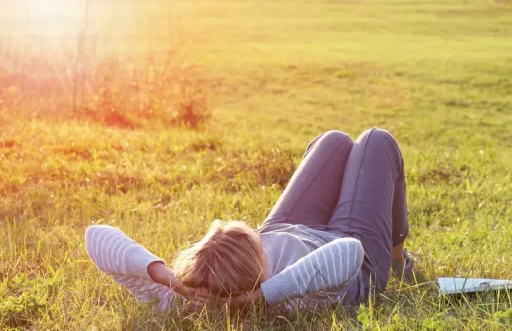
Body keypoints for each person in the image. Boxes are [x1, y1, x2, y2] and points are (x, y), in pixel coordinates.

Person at [85, 128, 419, 311]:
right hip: (355, 254)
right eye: (257, 243)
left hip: (289, 229)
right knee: (376, 140)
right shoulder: (294, 299)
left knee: (332, 142)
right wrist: (263, 297)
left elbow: (97, 236)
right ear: (258, 262)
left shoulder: (186, 294)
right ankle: (397, 258)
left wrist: (172, 281)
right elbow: (347, 252)